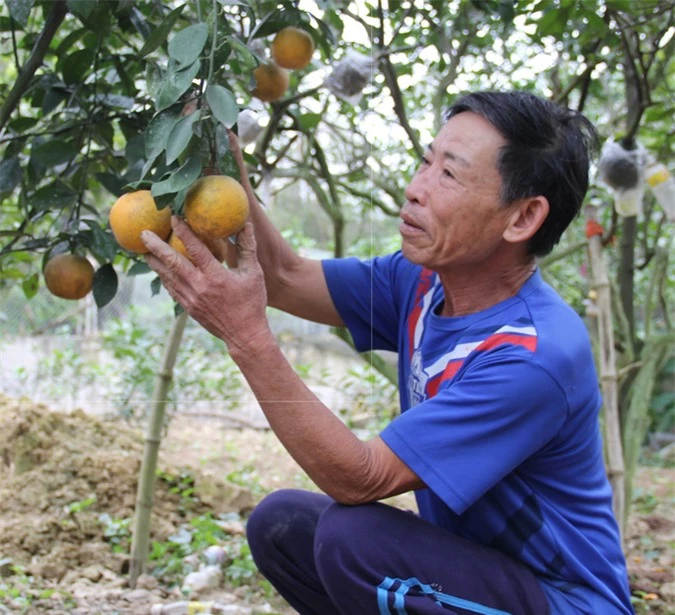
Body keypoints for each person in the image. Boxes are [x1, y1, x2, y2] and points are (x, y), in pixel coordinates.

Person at [142, 91, 633, 615]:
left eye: (449, 175)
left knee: (352, 539)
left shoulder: (532, 355)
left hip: (560, 601)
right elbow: (285, 277)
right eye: (426, 162)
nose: (415, 190)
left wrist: (246, 337)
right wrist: (223, 159)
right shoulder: (422, 280)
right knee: (283, 525)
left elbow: (362, 477)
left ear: (522, 218)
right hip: (480, 573)